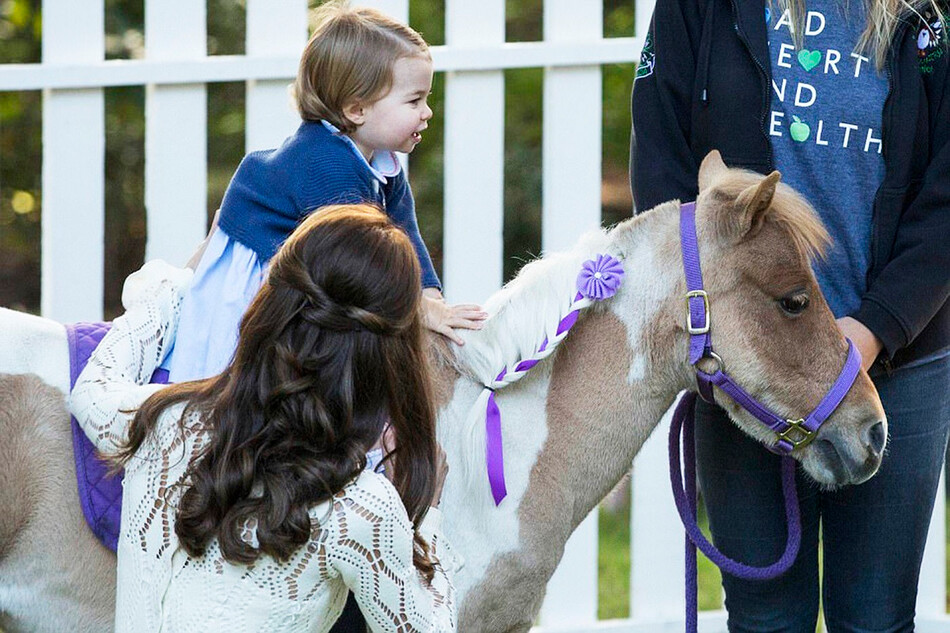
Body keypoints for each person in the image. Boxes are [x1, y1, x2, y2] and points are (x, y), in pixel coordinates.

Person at [630, 0, 949, 629]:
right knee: (765, 620)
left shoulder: (931, 11)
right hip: (750, 365)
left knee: (877, 620)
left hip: (899, 357)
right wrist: (713, 322)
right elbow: (663, 156)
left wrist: (877, 327)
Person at [69, 205, 460, 633]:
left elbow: (92, 390)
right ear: (391, 358)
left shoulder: (165, 422)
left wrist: (183, 283)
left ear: (268, 305)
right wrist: (426, 522)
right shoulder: (361, 508)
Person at [164, 1, 485, 384]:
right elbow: (355, 262)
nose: (427, 111)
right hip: (263, 276)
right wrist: (419, 312)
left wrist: (432, 300)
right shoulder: (325, 162)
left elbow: (406, 234)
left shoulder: (382, 162)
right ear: (356, 109)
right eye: (414, 100)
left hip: (312, 269)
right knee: (251, 370)